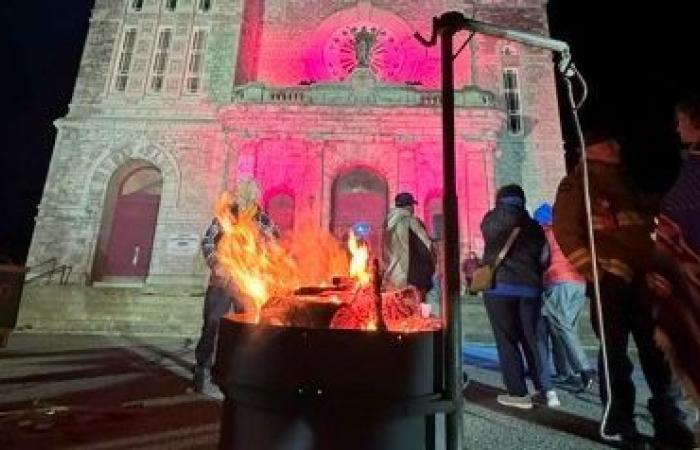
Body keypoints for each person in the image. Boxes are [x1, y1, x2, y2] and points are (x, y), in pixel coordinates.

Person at [553, 131, 694, 448]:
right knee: (615, 356)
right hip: (611, 281)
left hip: (644, 279)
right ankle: (619, 422)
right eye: (609, 142)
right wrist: (596, 271)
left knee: (657, 351)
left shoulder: (630, 180)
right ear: (591, 148)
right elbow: (566, 231)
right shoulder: (577, 184)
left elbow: (649, 219)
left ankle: (670, 423)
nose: (617, 145)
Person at [193, 178, 278, 394]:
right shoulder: (225, 216)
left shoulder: (263, 220)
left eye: (251, 193)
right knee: (212, 323)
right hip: (222, 281)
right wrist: (215, 263)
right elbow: (208, 241)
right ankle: (202, 369)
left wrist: (266, 262)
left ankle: (240, 371)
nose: (246, 196)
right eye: (243, 192)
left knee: (247, 328)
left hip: (248, 284)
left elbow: (275, 246)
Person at [480, 184, 558, 409]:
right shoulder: (534, 227)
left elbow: (486, 235)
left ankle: (517, 393)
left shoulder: (490, 220)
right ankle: (545, 389)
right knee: (533, 340)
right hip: (529, 290)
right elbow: (545, 258)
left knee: (507, 341)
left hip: (498, 288)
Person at [533, 202, 594, 391]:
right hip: (579, 282)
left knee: (562, 325)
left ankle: (584, 369)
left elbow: (543, 259)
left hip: (559, 282)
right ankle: (568, 371)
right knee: (568, 327)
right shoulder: (569, 233)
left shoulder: (548, 233)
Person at [382, 192, 435, 299]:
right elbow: (426, 246)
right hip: (411, 279)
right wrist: (429, 272)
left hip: (392, 276)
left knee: (396, 311)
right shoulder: (410, 221)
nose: (413, 209)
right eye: (412, 205)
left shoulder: (387, 223)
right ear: (408, 206)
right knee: (414, 312)